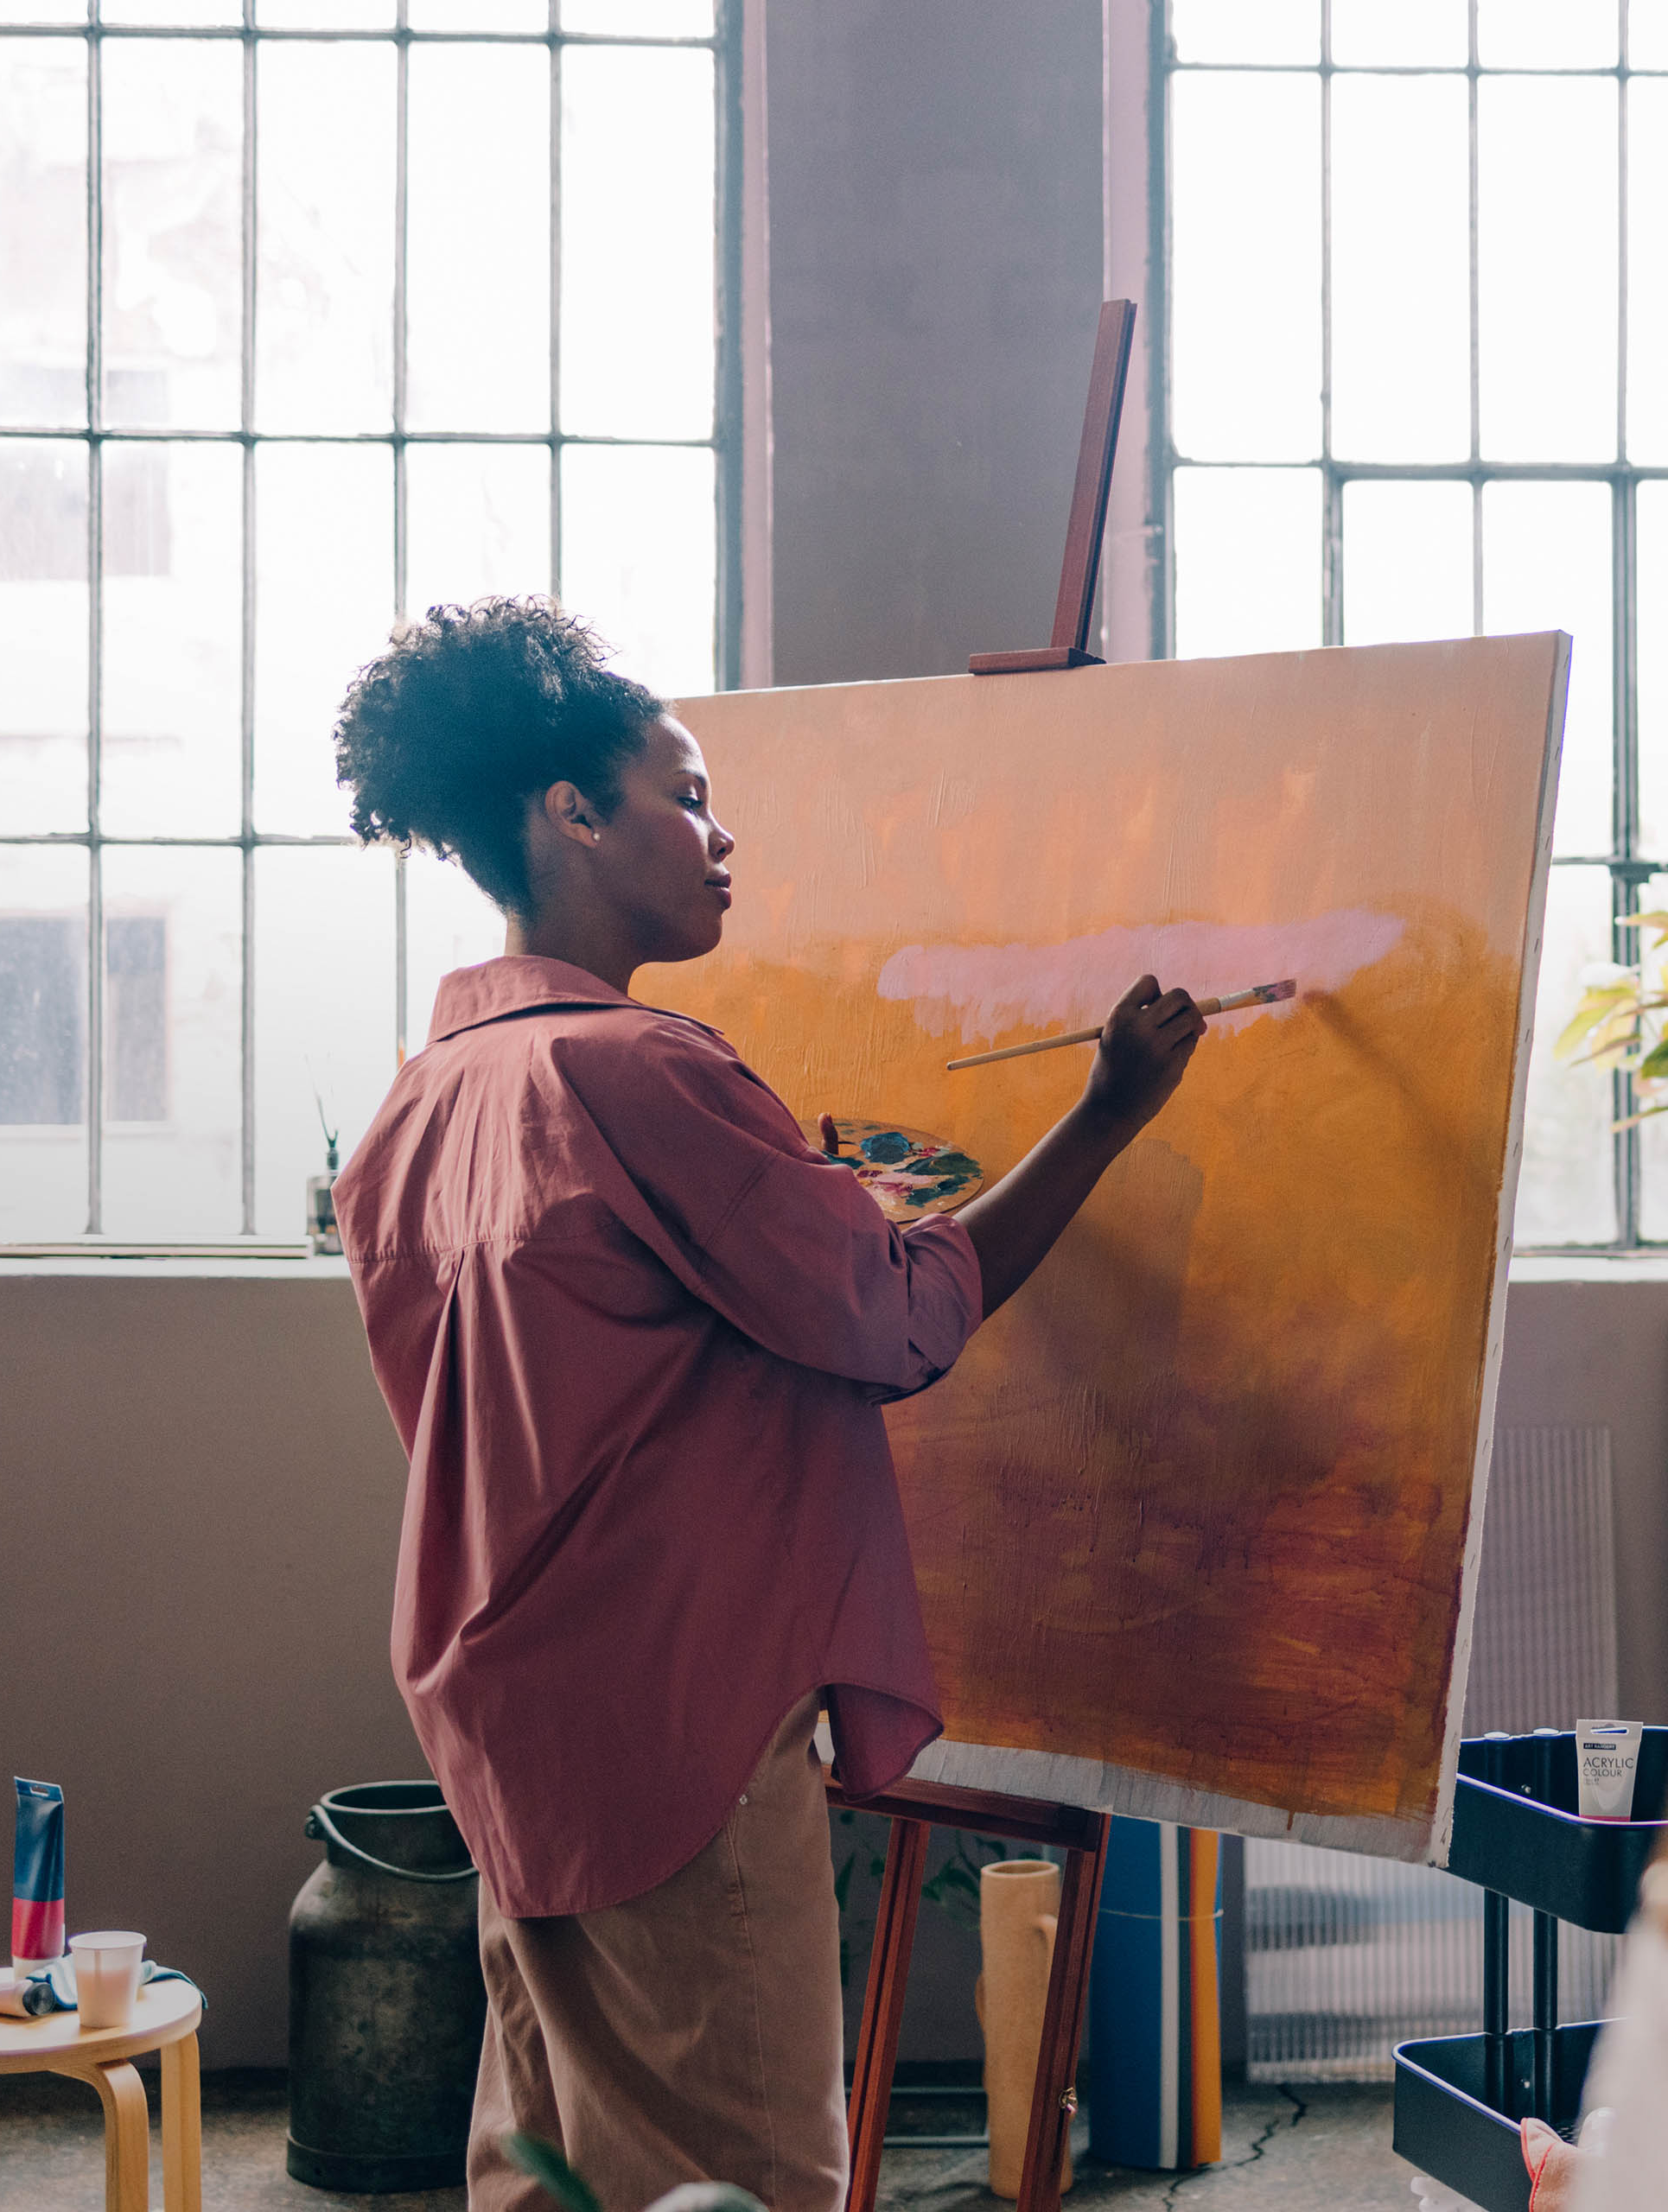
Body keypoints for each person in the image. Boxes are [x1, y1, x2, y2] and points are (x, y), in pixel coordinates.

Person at [329, 598, 1203, 2212]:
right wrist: (1103, 1119)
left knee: (555, 2158)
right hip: (677, 1705)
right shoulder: (642, 1072)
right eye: (687, 795)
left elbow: (578, 1356)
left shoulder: (422, 1100)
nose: (723, 838)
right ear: (570, 813)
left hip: (511, 1696)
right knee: (735, 2175)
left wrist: (814, 1205)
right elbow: (897, 1319)